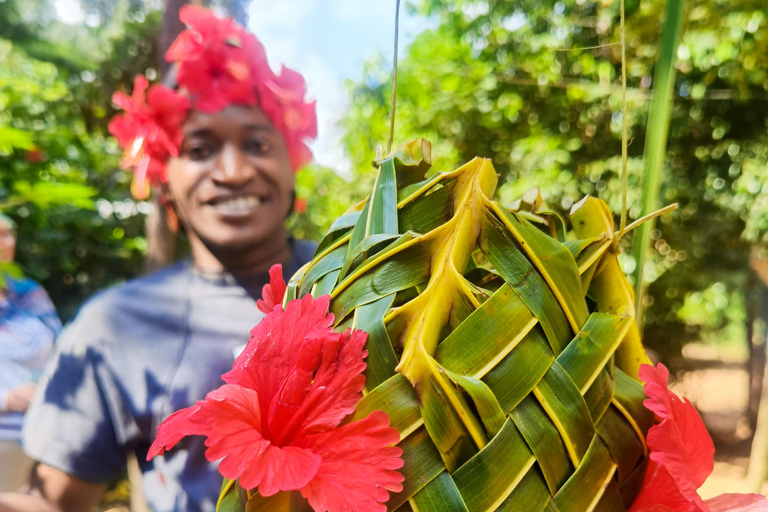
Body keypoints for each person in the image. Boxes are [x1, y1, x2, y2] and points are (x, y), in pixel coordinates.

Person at [0, 7, 317, 512]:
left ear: (292, 157)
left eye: (257, 143)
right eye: (200, 148)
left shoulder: (371, 279)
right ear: (164, 176)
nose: (233, 171)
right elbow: (54, 501)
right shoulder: (113, 326)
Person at [0, 213, 61, 492]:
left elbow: (63, 352)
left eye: (8, 233)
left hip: (42, 436)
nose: (6, 242)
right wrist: (7, 398)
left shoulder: (30, 293)